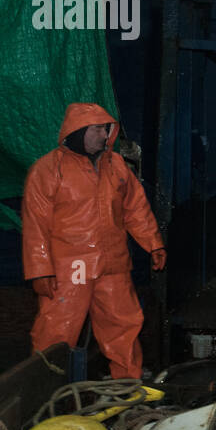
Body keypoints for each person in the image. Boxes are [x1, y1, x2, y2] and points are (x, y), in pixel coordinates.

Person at [22, 103, 166, 379]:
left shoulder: (117, 166)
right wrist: (40, 271)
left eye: (106, 128)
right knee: (56, 333)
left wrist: (153, 243)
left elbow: (135, 208)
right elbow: (35, 225)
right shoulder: (47, 170)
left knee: (123, 330)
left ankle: (127, 390)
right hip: (70, 270)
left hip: (113, 267)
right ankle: (46, 394)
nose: (105, 134)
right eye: (98, 129)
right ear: (78, 131)